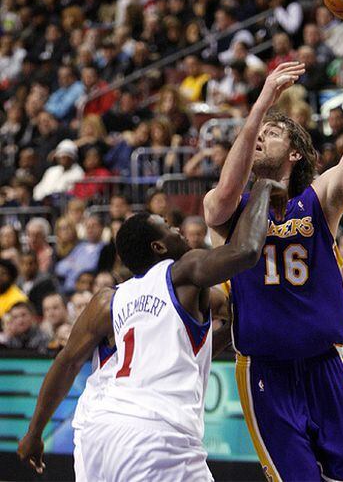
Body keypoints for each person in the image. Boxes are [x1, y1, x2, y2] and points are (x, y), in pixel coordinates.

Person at [203, 0, 343, 481]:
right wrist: (261, 102)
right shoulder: (231, 207)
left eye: (271, 132)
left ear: (293, 152)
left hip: (324, 367)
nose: (260, 134)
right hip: (266, 372)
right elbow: (220, 198)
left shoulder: (322, 198)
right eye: (257, 131)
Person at [17, 178, 280, 480]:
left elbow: (66, 363)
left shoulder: (108, 299)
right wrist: (263, 189)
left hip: (95, 434)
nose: (178, 228)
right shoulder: (183, 271)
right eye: (168, 226)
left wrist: (34, 432)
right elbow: (246, 251)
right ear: (159, 246)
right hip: (156, 436)